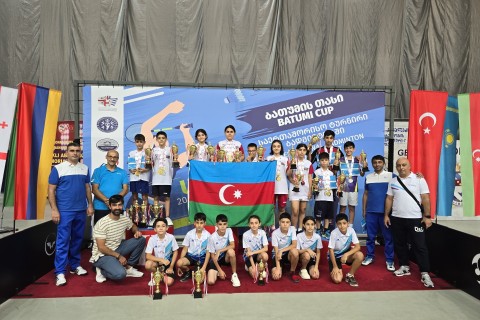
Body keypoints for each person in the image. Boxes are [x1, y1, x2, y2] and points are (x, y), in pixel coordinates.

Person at [48, 142, 94, 286]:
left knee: (77, 240)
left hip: (80, 210)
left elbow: (87, 188)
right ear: (66, 153)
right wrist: (54, 209)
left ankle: (74, 266)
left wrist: (90, 205)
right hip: (64, 211)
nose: (75, 153)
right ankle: (60, 272)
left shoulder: (84, 168)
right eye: (72, 151)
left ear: (80, 153)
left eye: (77, 151)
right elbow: (51, 191)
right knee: (63, 241)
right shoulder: (58, 169)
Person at [384, 157, 434, 288]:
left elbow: (426, 198)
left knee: (420, 246)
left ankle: (424, 272)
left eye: (404, 165)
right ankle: (404, 266)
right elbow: (389, 199)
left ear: (409, 166)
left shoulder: (419, 179)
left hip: (415, 219)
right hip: (397, 218)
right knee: (400, 244)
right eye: (399, 165)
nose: (401, 167)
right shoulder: (393, 181)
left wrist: (427, 216)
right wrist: (386, 215)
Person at [90, 195, 145, 283]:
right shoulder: (102, 223)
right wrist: (119, 256)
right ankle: (101, 270)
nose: (117, 207)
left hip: (117, 249)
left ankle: (129, 267)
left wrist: (136, 232)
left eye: (119, 205)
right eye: (114, 205)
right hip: (102, 255)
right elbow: (101, 248)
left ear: (122, 206)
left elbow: (133, 226)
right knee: (120, 274)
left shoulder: (124, 219)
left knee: (141, 239)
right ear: (110, 206)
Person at [362, 155, 395, 271]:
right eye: (375, 162)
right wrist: (364, 210)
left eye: (379, 162)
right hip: (371, 212)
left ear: (384, 163)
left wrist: (418, 176)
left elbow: (404, 179)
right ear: (372, 164)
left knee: (388, 237)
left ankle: (390, 260)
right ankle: (369, 256)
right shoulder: (368, 177)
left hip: (385, 213)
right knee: (370, 237)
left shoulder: (391, 176)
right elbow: (365, 194)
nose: (377, 164)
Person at [309, 130, 343, 221]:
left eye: (331, 138)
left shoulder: (338, 151)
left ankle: (329, 228)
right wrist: (310, 148)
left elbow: (343, 166)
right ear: (324, 138)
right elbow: (309, 162)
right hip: (319, 182)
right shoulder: (318, 150)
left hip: (332, 181)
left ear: (333, 139)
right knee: (320, 205)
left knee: (331, 205)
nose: (329, 140)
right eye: (327, 138)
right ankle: (319, 227)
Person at [91, 150, 129, 225]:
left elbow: (125, 189)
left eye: (115, 157)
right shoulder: (98, 171)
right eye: (110, 156)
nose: (112, 159)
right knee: (100, 232)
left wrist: (114, 202)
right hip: (100, 207)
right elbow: (94, 189)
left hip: (117, 208)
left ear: (118, 159)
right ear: (106, 157)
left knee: (117, 232)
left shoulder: (123, 172)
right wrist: (107, 201)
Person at [328, 213, 364, 287]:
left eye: (344, 223)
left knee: (360, 255)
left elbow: (358, 247)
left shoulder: (351, 231)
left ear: (348, 224)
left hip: (346, 256)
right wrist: (335, 266)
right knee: (337, 280)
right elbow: (330, 250)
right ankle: (337, 268)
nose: (342, 226)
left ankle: (350, 275)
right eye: (339, 224)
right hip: (335, 257)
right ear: (336, 225)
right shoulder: (334, 233)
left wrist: (346, 254)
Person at [206, 214, 241, 287]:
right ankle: (217, 272)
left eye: (224, 224)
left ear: (227, 224)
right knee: (210, 281)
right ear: (216, 225)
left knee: (231, 251)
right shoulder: (212, 237)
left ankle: (234, 275)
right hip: (216, 259)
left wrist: (219, 251)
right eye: (220, 224)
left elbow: (232, 245)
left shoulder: (229, 230)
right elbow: (212, 256)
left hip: (226, 258)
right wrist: (220, 270)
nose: (222, 226)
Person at [338, 141, 367, 227]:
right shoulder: (340, 160)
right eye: (347, 148)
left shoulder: (358, 160)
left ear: (354, 149)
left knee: (351, 207)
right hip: (342, 187)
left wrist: (364, 165)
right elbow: (336, 172)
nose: (348, 150)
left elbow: (362, 174)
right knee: (342, 207)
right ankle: (341, 225)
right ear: (344, 149)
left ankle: (350, 227)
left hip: (354, 187)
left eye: (350, 148)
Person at [176, 212, 211, 282]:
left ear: (205, 223)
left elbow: (208, 253)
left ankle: (200, 270)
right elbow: (184, 249)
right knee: (179, 263)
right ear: (194, 223)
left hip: (202, 258)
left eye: (201, 223)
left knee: (199, 281)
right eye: (197, 223)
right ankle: (188, 271)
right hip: (191, 257)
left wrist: (204, 267)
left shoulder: (208, 236)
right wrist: (179, 266)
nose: (199, 225)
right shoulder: (189, 234)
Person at [287, 143, 313, 231]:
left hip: (304, 189)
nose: (302, 152)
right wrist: (292, 165)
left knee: (303, 210)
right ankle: (293, 230)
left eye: (304, 150)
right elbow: (288, 175)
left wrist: (310, 190)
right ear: (297, 151)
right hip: (294, 189)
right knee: (295, 211)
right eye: (300, 150)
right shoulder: (292, 160)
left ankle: (300, 229)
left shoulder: (308, 163)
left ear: (306, 152)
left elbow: (310, 177)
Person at [145, 217, 178, 287]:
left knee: (168, 283)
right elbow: (148, 256)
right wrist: (161, 260)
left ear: (167, 228)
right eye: (158, 226)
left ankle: (161, 275)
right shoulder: (152, 239)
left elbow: (175, 252)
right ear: (155, 229)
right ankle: (158, 274)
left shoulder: (171, 237)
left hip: (168, 263)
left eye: (163, 226)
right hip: (158, 263)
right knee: (148, 264)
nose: (161, 228)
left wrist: (171, 267)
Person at [151, 131, 174, 225]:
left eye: (163, 138)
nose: (161, 139)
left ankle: (167, 216)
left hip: (166, 178)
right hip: (156, 178)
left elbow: (174, 162)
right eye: (159, 138)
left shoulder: (170, 149)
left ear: (166, 139)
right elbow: (150, 163)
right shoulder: (153, 150)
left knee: (167, 197)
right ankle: (156, 217)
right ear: (156, 139)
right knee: (156, 197)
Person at [271, 212, 300, 283]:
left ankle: (292, 272)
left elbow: (294, 245)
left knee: (295, 252)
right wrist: (278, 268)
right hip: (277, 255)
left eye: (287, 222)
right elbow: (276, 251)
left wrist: (282, 251)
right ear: (279, 223)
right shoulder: (275, 233)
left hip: (287, 254)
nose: (285, 224)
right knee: (276, 277)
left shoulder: (292, 229)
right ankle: (280, 267)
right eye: (283, 222)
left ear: (290, 223)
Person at [313, 152, 337, 239]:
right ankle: (318, 230)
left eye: (326, 160)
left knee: (328, 216)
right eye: (322, 160)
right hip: (320, 197)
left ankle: (326, 230)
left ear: (328, 161)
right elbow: (313, 184)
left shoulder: (331, 173)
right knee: (319, 216)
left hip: (329, 198)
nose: (324, 162)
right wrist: (315, 187)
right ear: (319, 162)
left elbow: (334, 185)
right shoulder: (316, 172)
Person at [266, 140, 289, 227]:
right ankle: (272, 227)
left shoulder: (285, 159)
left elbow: (288, 173)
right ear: (272, 148)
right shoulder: (268, 158)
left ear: (281, 148)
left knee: (282, 208)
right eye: (274, 146)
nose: (276, 148)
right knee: (271, 208)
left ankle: (281, 226)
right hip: (271, 187)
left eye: (278, 146)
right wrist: (268, 163)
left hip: (282, 187)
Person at [242, 215, 269, 279]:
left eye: (256, 223)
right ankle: (250, 266)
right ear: (249, 224)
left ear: (259, 224)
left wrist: (253, 252)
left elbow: (266, 248)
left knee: (265, 256)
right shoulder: (245, 235)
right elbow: (249, 253)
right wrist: (254, 268)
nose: (254, 225)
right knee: (255, 275)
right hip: (249, 257)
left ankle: (261, 265)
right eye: (251, 223)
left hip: (258, 255)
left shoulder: (262, 233)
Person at [128, 133, 150, 206]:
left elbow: (150, 166)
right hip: (134, 178)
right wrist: (131, 170)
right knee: (134, 197)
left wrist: (145, 170)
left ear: (144, 142)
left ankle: (145, 215)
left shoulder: (148, 153)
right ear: (135, 142)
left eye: (141, 142)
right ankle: (135, 216)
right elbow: (129, 166)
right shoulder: (131, 153)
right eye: (137, 142)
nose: (139, 144)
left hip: (144, 177)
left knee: (144, 197)